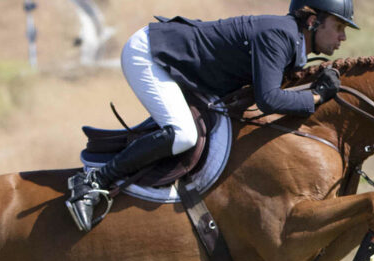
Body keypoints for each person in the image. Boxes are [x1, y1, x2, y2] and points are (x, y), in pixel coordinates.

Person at [66, 1, 358, 231]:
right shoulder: (279, 35)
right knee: (182, 135)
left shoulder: (291, 41)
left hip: (180, 65)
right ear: (312, 21)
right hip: (151, 54)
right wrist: (317, 96)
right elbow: (268, 100)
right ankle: (92, 183)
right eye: (339, 26)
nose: (343, 37)